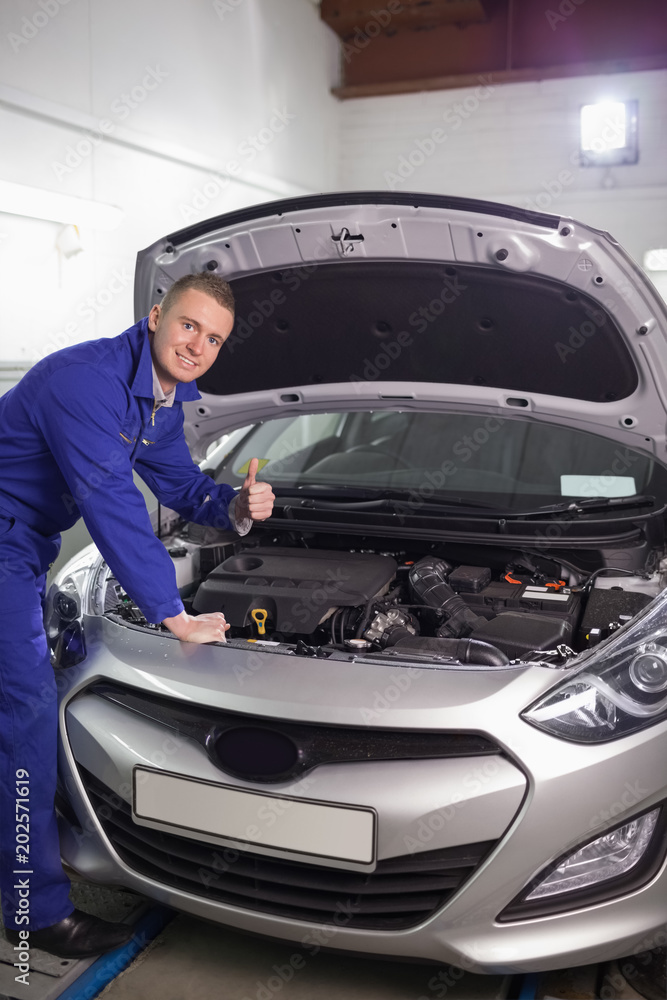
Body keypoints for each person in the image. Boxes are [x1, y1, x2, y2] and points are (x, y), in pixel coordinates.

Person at [0, 271, 274, 959]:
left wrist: (235, 508)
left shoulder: (161, 400)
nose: (198, 346)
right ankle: (33, 910)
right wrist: (170, 612)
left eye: (214, 339)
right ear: (156, 317)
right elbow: (112, 505)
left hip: (20, 547)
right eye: (188, 326)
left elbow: (179, 484)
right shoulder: (83, 382)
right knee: (28, 713)